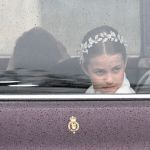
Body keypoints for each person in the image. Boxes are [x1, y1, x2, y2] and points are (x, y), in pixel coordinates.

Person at [80, 25, 135, 94]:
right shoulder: (90, 92)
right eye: (100, 72)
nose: (109, 80)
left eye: (116, 69)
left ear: (125, 63)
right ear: (85, 69)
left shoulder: (128, 101)